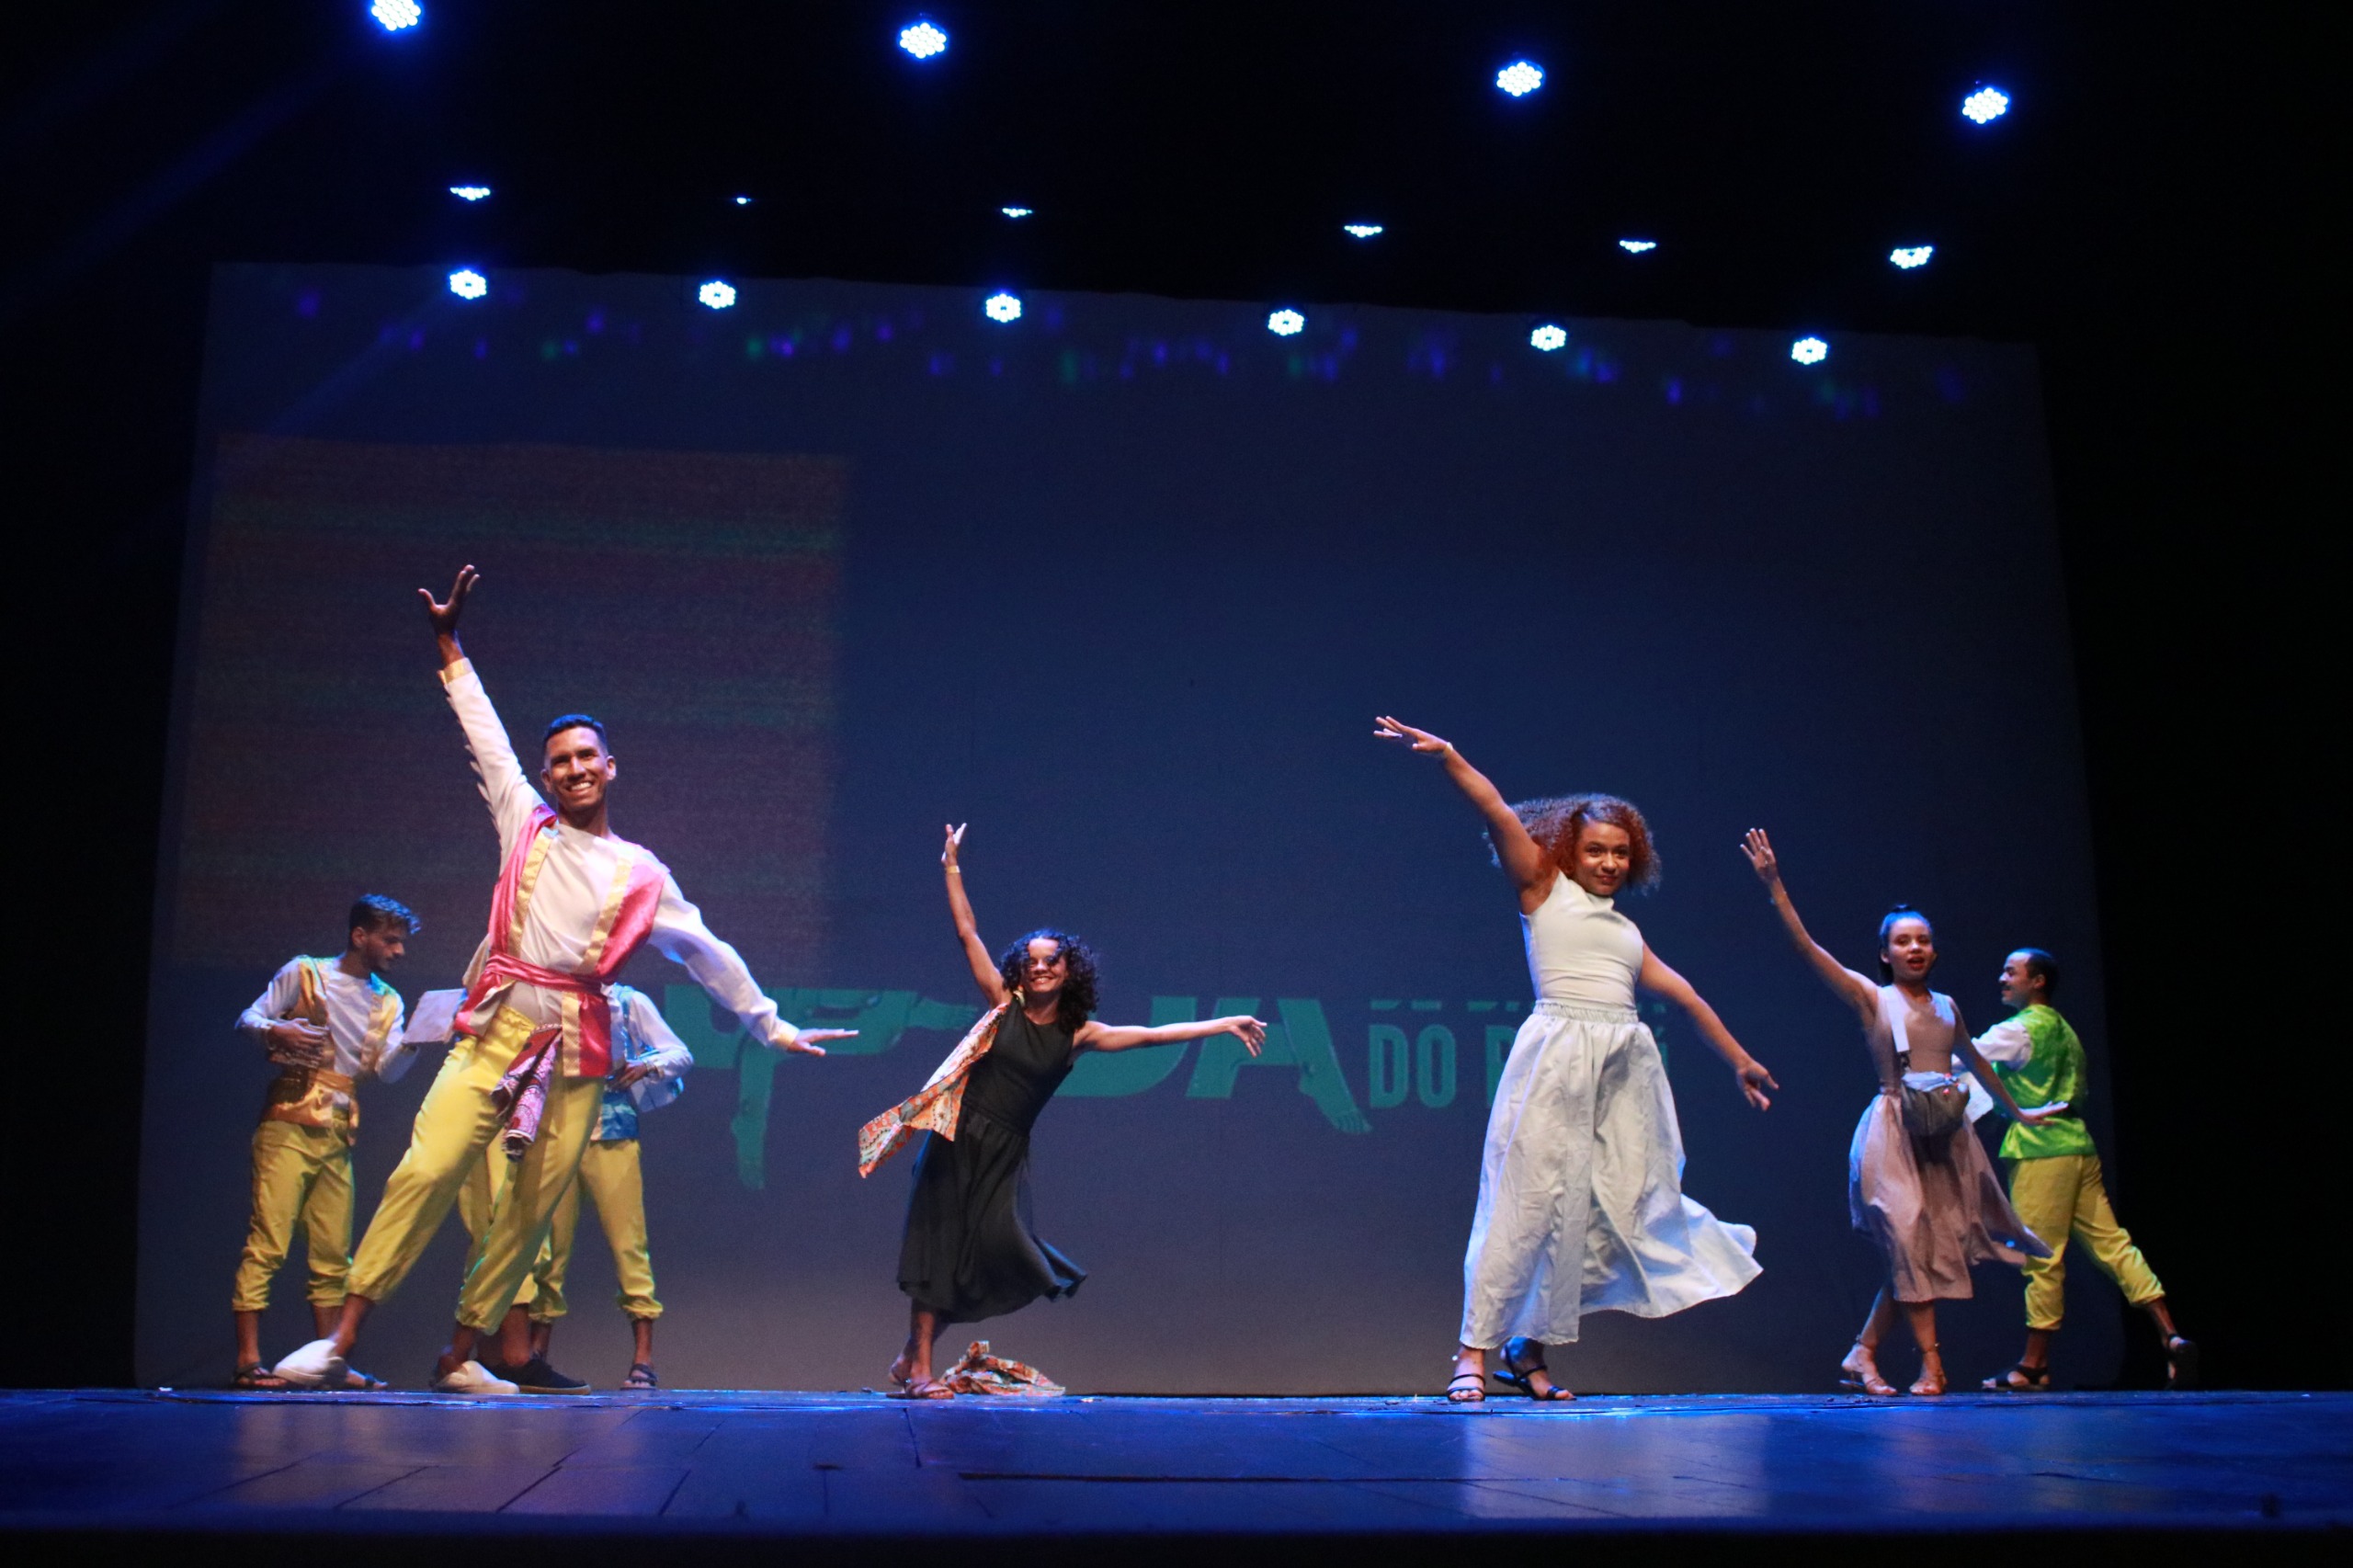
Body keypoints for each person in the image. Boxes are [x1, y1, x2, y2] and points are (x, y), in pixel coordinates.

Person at [271, 565, 855, 1394]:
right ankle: (339, 1342)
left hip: (575, 1053)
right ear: (546, 777)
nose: (573, 769)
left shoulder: (643, 871)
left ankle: (459, 1355)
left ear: (611, 767)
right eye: (560, 762)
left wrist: (769, 1023)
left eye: (587, 757)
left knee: (527, 1216)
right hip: (496, 1032)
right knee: (427, 1170)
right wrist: (448, 642)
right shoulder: (525, 823)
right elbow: (483, 733)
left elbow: (704, 949)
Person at [1376, 719, 1776, 1405]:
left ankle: (1528, 1349)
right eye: (1596, 850)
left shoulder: (1625, 930)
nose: (1610, 863)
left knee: (1606, 1212)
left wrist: (1739, 1059)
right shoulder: (1542, 890)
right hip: (1557, 1060)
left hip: (1623, 1073)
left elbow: (1685, 994)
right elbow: (1497, 809)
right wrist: (1450, 757)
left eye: (1621, 853)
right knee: (1525, 1204)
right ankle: (1471, 1349)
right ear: (1570, 848)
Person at [856, 824, 1268, 1399]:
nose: (1040, 968)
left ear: (1069, 970)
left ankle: (908, 1357)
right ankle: (920, 1368)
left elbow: (1151, 1034)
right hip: (957, 1138)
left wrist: (1222, 1023)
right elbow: (967, 932)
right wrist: (951, 867)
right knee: (940, 1251)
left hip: (1004, 1154)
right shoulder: (1004, 1008)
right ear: (1019, 971)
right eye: (1031, 961)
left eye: (1052, 961)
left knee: (990, 1259)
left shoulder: (1079, 1034)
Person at [1739, 828, 2052, 1397]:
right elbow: (1808, 948)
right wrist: (1774, 886)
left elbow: (1979, 1066)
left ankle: (1863, 1352)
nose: (1915, 949)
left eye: (1923, 941)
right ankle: (1933, 1365)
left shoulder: (1947, 1006)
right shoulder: (1871, 999)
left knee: (1920, 1253)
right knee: (1909, 1241)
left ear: (1933, 949)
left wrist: (2019, 1114)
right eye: (1903, 942)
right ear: (1885, 953)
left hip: (1942, 1136)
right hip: (1892, 1133)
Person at [1972, 948, 2196, 1391]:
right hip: (2079, 1148)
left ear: (2037, 982)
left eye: (2011, 972)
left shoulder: (2018, 1030)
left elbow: (1963, 1053)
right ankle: (2169, 1332)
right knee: (2113, 1244)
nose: (2002, 978)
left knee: (2041, 1254)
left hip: (2042, 1151)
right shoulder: (2068, 1033)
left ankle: (2034, 1364)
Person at [457, 982, 691, 1392]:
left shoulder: (629, 999)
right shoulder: (551, 992)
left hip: (612, 1133)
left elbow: (680, 1052)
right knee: (546, 1249)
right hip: (558, 1131)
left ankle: (643, 1357)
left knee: (628, 1244)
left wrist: (648, 1065)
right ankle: (535, 1352)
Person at [230, 895, 420, 1391]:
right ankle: (249, 1360)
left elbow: (386, 1071)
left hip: (339, 1127)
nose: (398, 951)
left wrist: (418, 1040)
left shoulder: (388, 1000)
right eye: (390, 940)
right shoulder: (306, 971)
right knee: (269, 1241)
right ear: (360, 936)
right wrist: (278, 1028)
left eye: (402, 942)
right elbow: (249, 1018)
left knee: (334, 1254)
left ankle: (328, 1361)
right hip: (289, 1120)